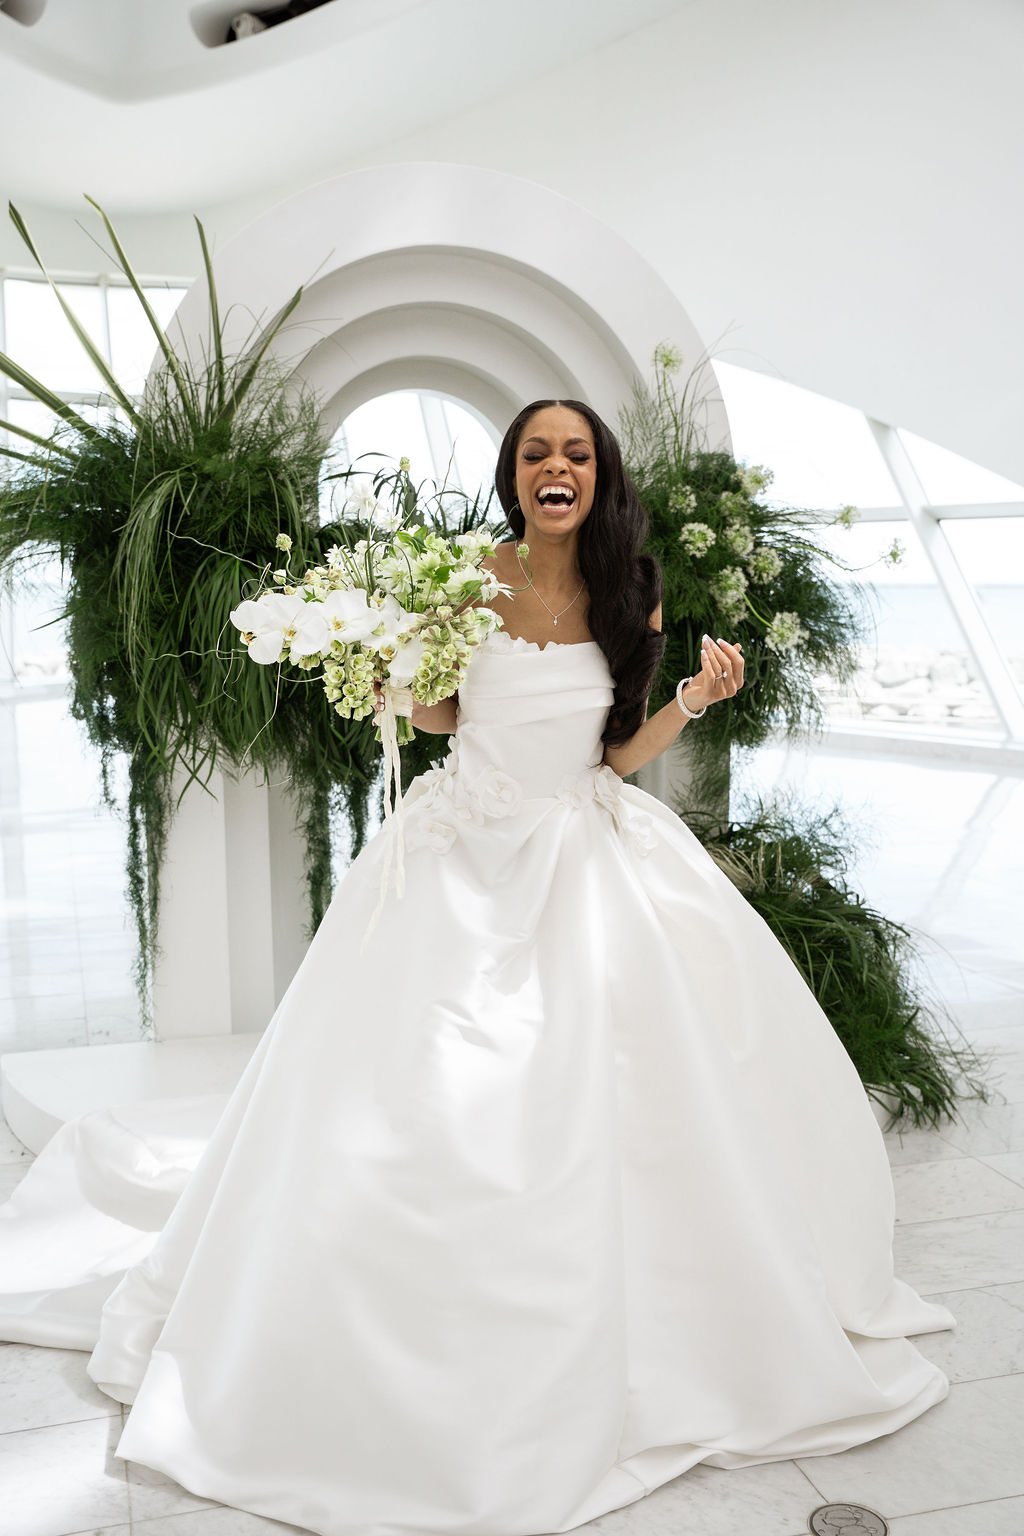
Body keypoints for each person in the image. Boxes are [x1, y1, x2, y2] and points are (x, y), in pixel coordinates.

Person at [0, 398, 955, 1536]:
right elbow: (451, 712)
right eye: (538, 452)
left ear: (598, 477)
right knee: (410, 1079)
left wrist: (694, 699)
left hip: (581, 845)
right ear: (514, 474)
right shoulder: (465, 577)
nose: (558, 467)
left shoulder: (632, 587)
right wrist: (386, 676)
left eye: (578, 453)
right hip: (462, 848)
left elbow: (616, 746)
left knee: (626, 1085)